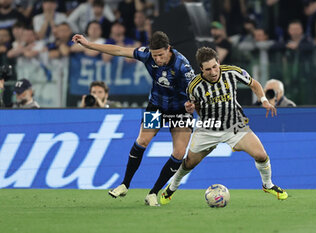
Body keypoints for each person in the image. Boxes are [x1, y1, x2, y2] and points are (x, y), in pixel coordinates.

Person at [72, 31, 195, 206]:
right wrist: (88, 44)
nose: (157, 59)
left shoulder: (183, 66)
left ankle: (153, 193)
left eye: (161, 55)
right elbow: (119, 51)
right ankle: (124, 184)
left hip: (180, 110)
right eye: (155, 56)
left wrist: (193, 104)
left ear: (169, 49)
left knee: (179, 152)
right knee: (142, 141)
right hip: (157, 107)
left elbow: (196, 91)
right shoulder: (147, 55)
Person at [160, 47, 288, 205]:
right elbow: (196, 107)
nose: (213, 72)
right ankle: (171, 187)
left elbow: (254, 84)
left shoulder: (233, 72)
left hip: (234, 125)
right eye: (208, 69)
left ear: (218, 62)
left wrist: (264, 101)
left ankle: (268, 185)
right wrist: (191, 109)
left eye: (215, 67)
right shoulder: (194, 86)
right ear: (201, 69)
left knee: (261, 155)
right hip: (208, 128)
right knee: (189, 163)